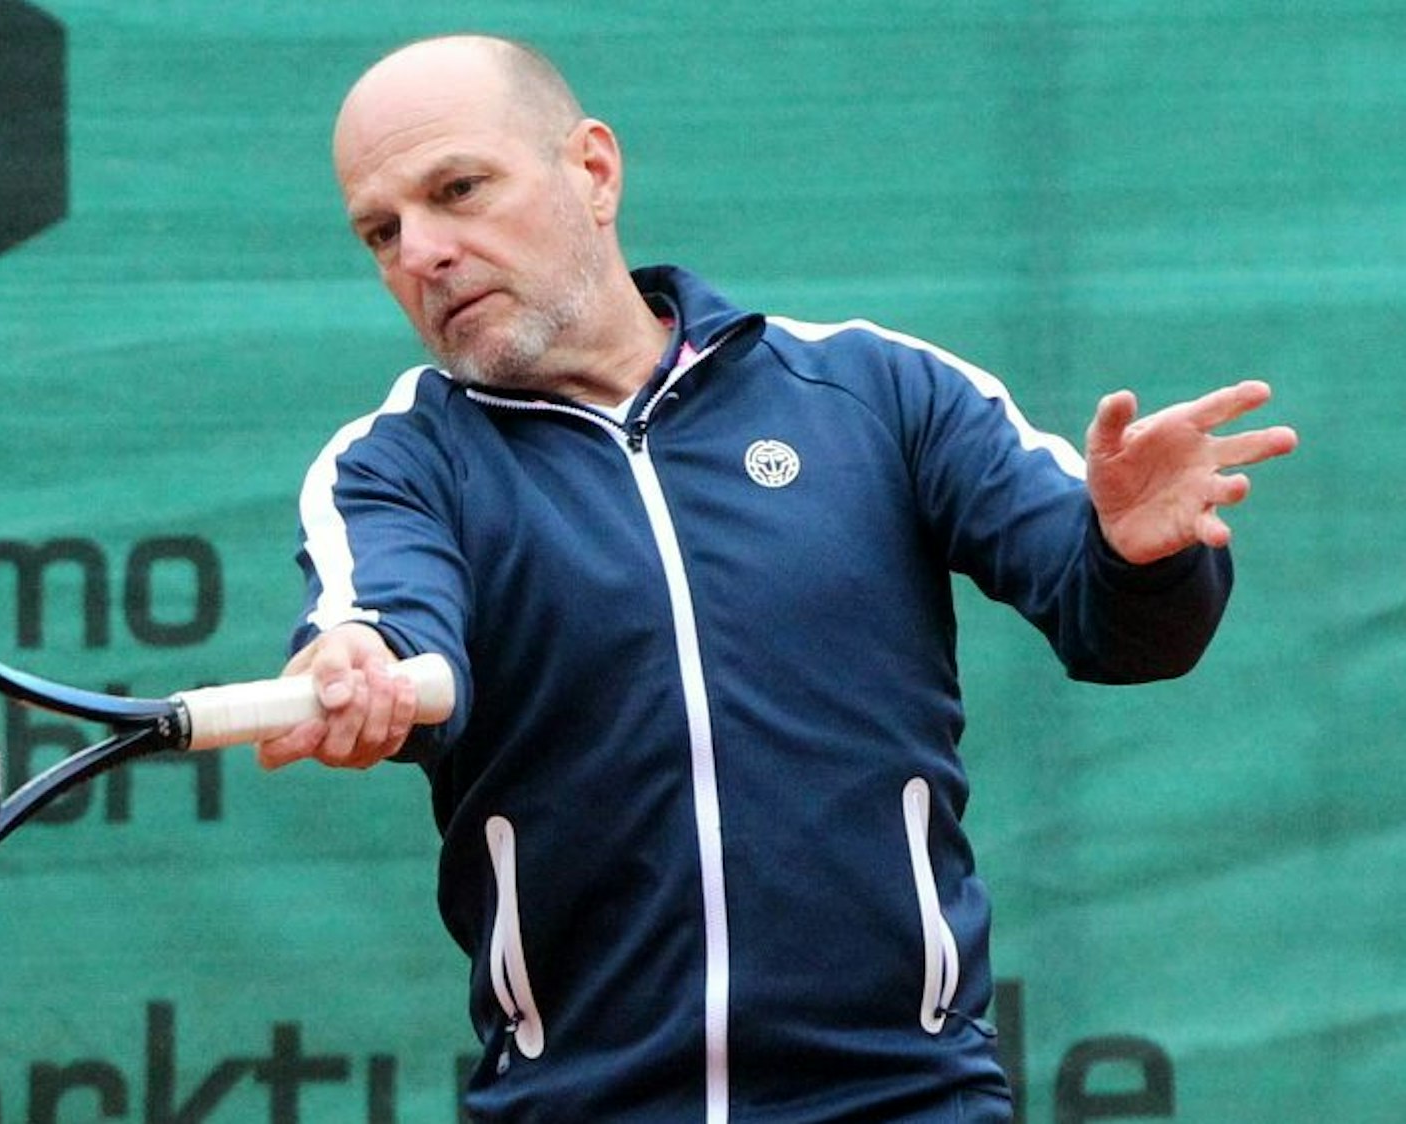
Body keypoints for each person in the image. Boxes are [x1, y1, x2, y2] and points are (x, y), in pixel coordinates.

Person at [258, 33, 1298, 1124]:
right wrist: (362, 659)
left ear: (593, 171)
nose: (422, 250)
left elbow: (1121, 629)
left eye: (457, 189)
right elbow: (381, 617)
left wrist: (1140, 555)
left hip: (906, 1098)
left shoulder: (876, 390)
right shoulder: (394, 463)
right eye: (382, 231)